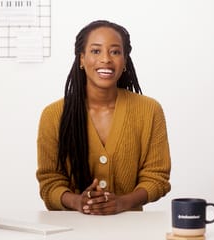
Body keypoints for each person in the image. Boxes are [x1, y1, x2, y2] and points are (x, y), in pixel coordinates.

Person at [36, 20, 171, 215]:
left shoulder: (149, 110)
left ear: (125, 61)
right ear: (81, 59)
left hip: (132, 229)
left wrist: (122, 203)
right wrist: (77, 202)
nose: (106, 59)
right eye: (96, 51)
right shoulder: (53, 115)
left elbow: (157, 178)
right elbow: (49, 183)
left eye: (115, 52)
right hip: (71, 229)